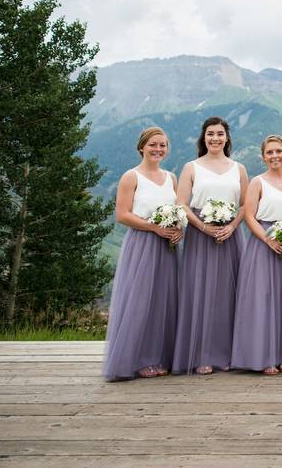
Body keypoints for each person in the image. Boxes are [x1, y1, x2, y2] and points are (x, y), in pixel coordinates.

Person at [103, 127, 182, 380]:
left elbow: (178, 208)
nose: (158, 149)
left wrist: (178, 227)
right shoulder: (131, 176)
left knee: (164, 301)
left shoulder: (171, 177)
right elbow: (122, 214)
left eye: (162, 145)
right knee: (140, 301)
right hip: (143, 243)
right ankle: (138, 359)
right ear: (141, 147)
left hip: (168, 246)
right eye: (153, 145)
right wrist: (153, 227)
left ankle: (160, 356)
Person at [172, 117, 248, 375]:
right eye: (210, 134)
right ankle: (202, 354)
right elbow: (182, 203)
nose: (215, 138)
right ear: (203, 138)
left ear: (227, 138)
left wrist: (232, 226)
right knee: (201, 294)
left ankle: (227, 353)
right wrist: (204, 227)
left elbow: (247, 205)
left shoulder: (239, 168)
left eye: (220, 134)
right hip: (200, 235)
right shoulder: (191, 167)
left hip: (230, 236)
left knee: (229, 295)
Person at [231, 135, 282, 374]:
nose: (274, 156)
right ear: (263, 157)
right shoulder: (257, 182)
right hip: (263, 245)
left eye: (279, 151)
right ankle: (263, 356)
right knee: (262, 300)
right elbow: (250, 216)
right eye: (270, 152)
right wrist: (267, 239)